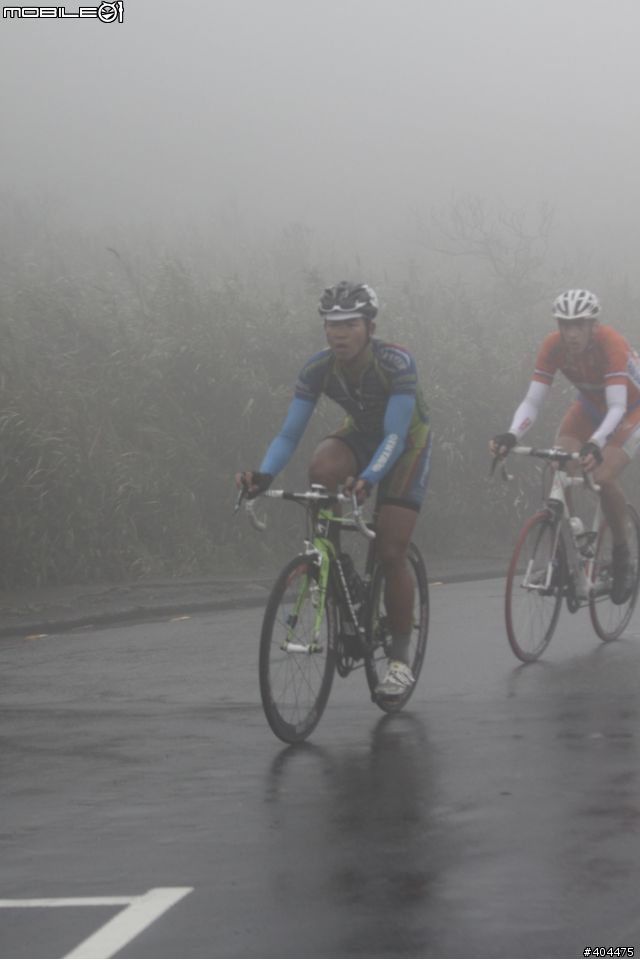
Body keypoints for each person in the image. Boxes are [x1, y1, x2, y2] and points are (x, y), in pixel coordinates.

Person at [236, 281, 432, 697]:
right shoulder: (318, 368)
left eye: (350, 324)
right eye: (331, 324)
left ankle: (399, 658)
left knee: (391, 551)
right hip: (361, 434)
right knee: (322, 468)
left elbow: (394, 436)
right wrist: (264, 475)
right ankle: (332, 565)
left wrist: (369, 480)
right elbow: (290, 434)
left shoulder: (396, 363)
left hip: (406, 443)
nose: (339, 333)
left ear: (370, 327)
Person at [490, 288, 640, 604]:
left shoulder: (611, 344)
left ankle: (624, 555)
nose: (571, 333)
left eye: (579, 325)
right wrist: (512, 435)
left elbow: (616, 407)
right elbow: (533, 400)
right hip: (589, 406)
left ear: (593, 325)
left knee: (602, 477)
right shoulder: (553, 346)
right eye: (565, 325)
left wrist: (595, 443)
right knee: (556, 463)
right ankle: (566, 555)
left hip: (629, 409)